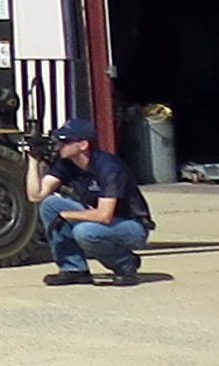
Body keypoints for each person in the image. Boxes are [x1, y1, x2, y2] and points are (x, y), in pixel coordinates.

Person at [29, 117, 153, 286]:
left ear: (83, 145)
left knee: (84, 232)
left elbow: (105, 216)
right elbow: (35, 195)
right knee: (50, 205)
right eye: (59, 141)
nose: (60, 146)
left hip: (131, 225)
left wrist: (67, 215)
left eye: (66, 142)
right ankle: (73, 269)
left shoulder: (109, 167)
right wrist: (33, 159)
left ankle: (125, 264)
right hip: (99, 218)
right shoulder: (67, 164)